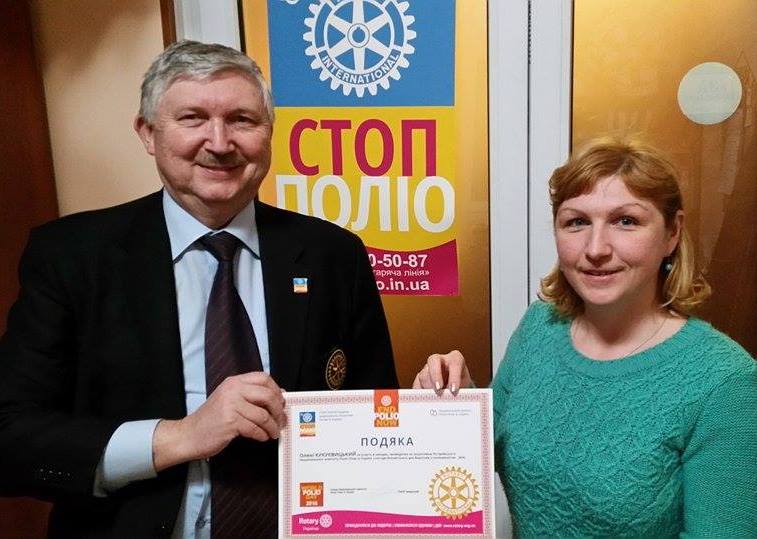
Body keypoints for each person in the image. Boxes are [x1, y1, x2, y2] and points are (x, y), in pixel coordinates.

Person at [0, 40, 397, 538]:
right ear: (148, 133)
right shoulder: (72, 256)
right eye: (192, 118)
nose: (220, 142)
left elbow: (373, 411)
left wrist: (436, 410)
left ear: (269, 134)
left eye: (242, 120)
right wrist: (179, 437)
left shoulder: (332, 254)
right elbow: (10, 436)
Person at [414, 139, 757, 537]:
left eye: (625, 221)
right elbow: (482, 453)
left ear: (672, 233)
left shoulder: (725, 381)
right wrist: (454, 400)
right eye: (576, 222)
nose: (596, 249)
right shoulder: (540, 327)